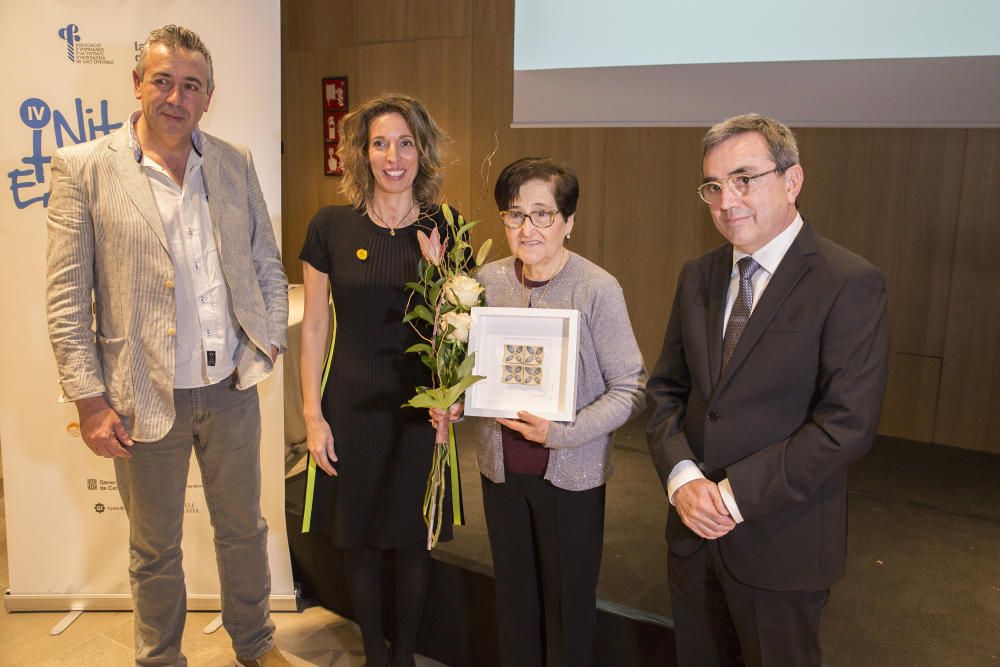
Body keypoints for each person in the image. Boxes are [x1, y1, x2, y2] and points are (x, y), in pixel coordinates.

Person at [45, 25, 289, 667]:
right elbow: (68, 298)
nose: (175, 97)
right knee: (154, 550)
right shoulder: (83, 166)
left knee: (243, 532)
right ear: (137, 84)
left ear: (208, 96)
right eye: (162, 81)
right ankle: (159, 659)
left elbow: (265, 260)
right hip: (139, 397)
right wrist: (90, 400)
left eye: (190, 85)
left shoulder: (233, 161)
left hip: (231, 390)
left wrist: (265, 344)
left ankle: (256, 644)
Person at [645, 113, 890, 666]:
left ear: (792, 180)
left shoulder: (847, 281)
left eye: (744, 179)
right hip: (691, 533)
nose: (726, 200)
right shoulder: (697, 275)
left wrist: (733, 497)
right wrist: (682, 478)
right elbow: (665, 390)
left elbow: (846, 425)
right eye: (713, 185)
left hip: (783, 542)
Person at [435, 157, 647, 666]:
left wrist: (562, 433)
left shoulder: (597, 288)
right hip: (502, 472)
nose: (526, 229)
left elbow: (631, 387)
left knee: (568, 605)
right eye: (514, 215)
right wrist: (457, 401)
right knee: (513, 599)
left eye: (542, 215)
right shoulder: (485, 281)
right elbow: (471, 369)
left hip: (569, 477)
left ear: (569, 221)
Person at [299, 93, 454, 667]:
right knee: (358, 535)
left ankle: (406, 654)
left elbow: (456, 328)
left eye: (406, 143)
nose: (394, 156)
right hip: (350, 405)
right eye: (381, 143)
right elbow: (314, 327)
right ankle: (372, 653)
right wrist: (313, 417)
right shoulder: (330, 227)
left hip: (421, 410)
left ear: (423, 152)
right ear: (362, 154)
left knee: (413, 537)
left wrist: (452, 401)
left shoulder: (445, 227)